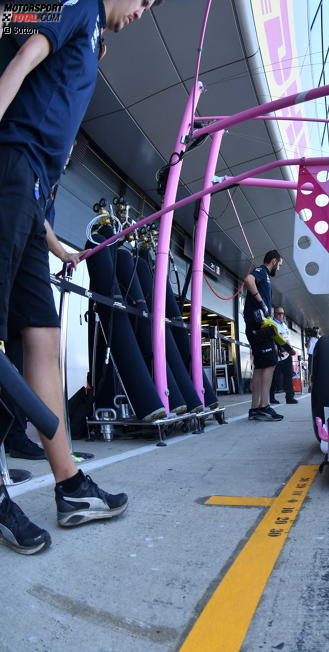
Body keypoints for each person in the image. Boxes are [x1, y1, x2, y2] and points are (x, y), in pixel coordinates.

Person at [0, 0, 160, 556]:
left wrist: (55, 242)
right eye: (142, 0)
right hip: (9, 165)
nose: (143, 10)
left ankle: (69, 487)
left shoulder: (95, 35)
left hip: (33, 192)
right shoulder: (74, 3)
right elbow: (21, 54)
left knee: (43, 337)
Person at [243, 250, 285, 422]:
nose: (279, 268)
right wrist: (261, 303)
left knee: (260, 366)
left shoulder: (265, 276)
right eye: (280, 265)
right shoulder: (261, 272)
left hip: (257, 326)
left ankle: (255, 408)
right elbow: (248, 280)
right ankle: (264, 406)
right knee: (270, 363)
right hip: (258, 326)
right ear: (274, 261)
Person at [269, 307, 297, 405]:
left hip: (287, 354)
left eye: (282, 314)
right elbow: (271, 339)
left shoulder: (284, 325)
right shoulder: (272, 324)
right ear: (275, 314)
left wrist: (290, 350)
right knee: (274, 377)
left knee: (288, 376)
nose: (281, 315)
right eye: (279, 313)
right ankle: (271, 397)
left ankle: (290, 397)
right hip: (277, 355)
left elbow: (287, 339)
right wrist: (276, 350)